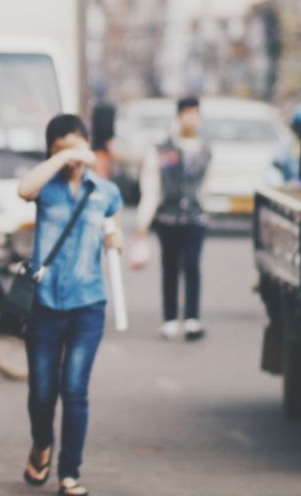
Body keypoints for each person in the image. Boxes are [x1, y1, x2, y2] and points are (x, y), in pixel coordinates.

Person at [16, 114, 123, 496]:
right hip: (45, 303)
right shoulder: (46, 187)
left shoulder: (106, 192)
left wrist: (115, 240)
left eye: (76, 146)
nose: (72, 156)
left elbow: (111, 227)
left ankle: (69, 473)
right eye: (60, 148)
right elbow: (24, 189)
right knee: (42, 392)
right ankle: (41, 443)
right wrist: (63, 157)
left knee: (75, 390)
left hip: (87, 303)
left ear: (88, 144)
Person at [133, 97, 211, 341]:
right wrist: (143, 223)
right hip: (167, 218)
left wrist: (206, 209)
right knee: (170, 268)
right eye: (187, 113)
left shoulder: (206, 150)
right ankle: (169, 319)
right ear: (178, 117)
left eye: (195, 114)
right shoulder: (162, 149)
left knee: (192, 266)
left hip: (195, 218)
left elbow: (208, 185)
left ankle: (192, 319)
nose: (191, 119)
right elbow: (151, 186)